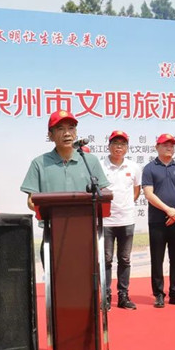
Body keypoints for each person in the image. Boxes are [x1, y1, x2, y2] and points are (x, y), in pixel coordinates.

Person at [20, 109, 110, 262]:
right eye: (60, 129)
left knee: (86, 276)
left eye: (71, 128)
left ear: (76, 132)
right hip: (52, 232)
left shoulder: (90, 161)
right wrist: (55, 211)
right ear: (50, 135)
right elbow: (30, 201)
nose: (67, 133)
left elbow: (103, 194)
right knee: (55, 276)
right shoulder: (39, 163)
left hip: (85, 233)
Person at [142, 133, 175, 308]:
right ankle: (158, 294)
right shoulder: (149, 168)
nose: (169, 148)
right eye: (165, 145)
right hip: (157, 221)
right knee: (157, 259)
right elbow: (149, 194)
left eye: (171, 145)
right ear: (157, 147)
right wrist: (168, 210)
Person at [101, 130, 140, 310]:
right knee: (106, 259)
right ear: (109, 146)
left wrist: (125, 206)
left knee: (124, 259)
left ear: (127, 147)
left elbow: (136, 191)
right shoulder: (101, 166)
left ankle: (123, 295)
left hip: (127, 219)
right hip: (106, 221)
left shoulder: (133, 167)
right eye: (115, 143)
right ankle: (106, 295)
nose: (119, 147)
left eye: (123, 144)